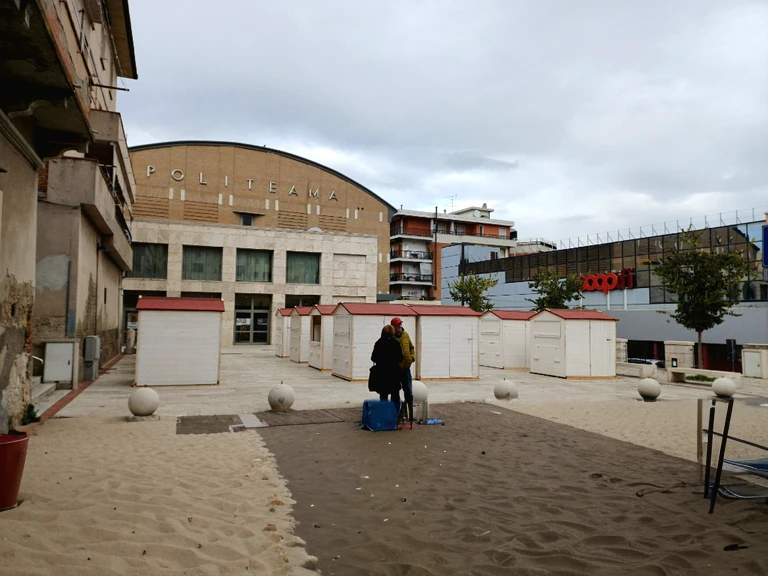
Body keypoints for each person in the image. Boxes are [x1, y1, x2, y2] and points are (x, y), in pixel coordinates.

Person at [391, 317, 415, 424]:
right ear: (393, 327)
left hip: (406, 369)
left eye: (400, 324)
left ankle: (409, 414)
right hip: (395, 370)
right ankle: (397, 414)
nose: (400, 326)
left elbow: (411, 347)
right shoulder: (390, 337)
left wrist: (412, 357)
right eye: (398, 325)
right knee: (395, 392)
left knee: (408, 392)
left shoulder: (405, 335)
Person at [370, 324, 403, 403]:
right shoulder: (396, 343)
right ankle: (394, 413)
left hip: (382, 373)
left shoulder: (378, 343)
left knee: (383, 395)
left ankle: (384, 412)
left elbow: (373, 358)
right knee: (395, 395)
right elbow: (400, 358)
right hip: (394, 373)